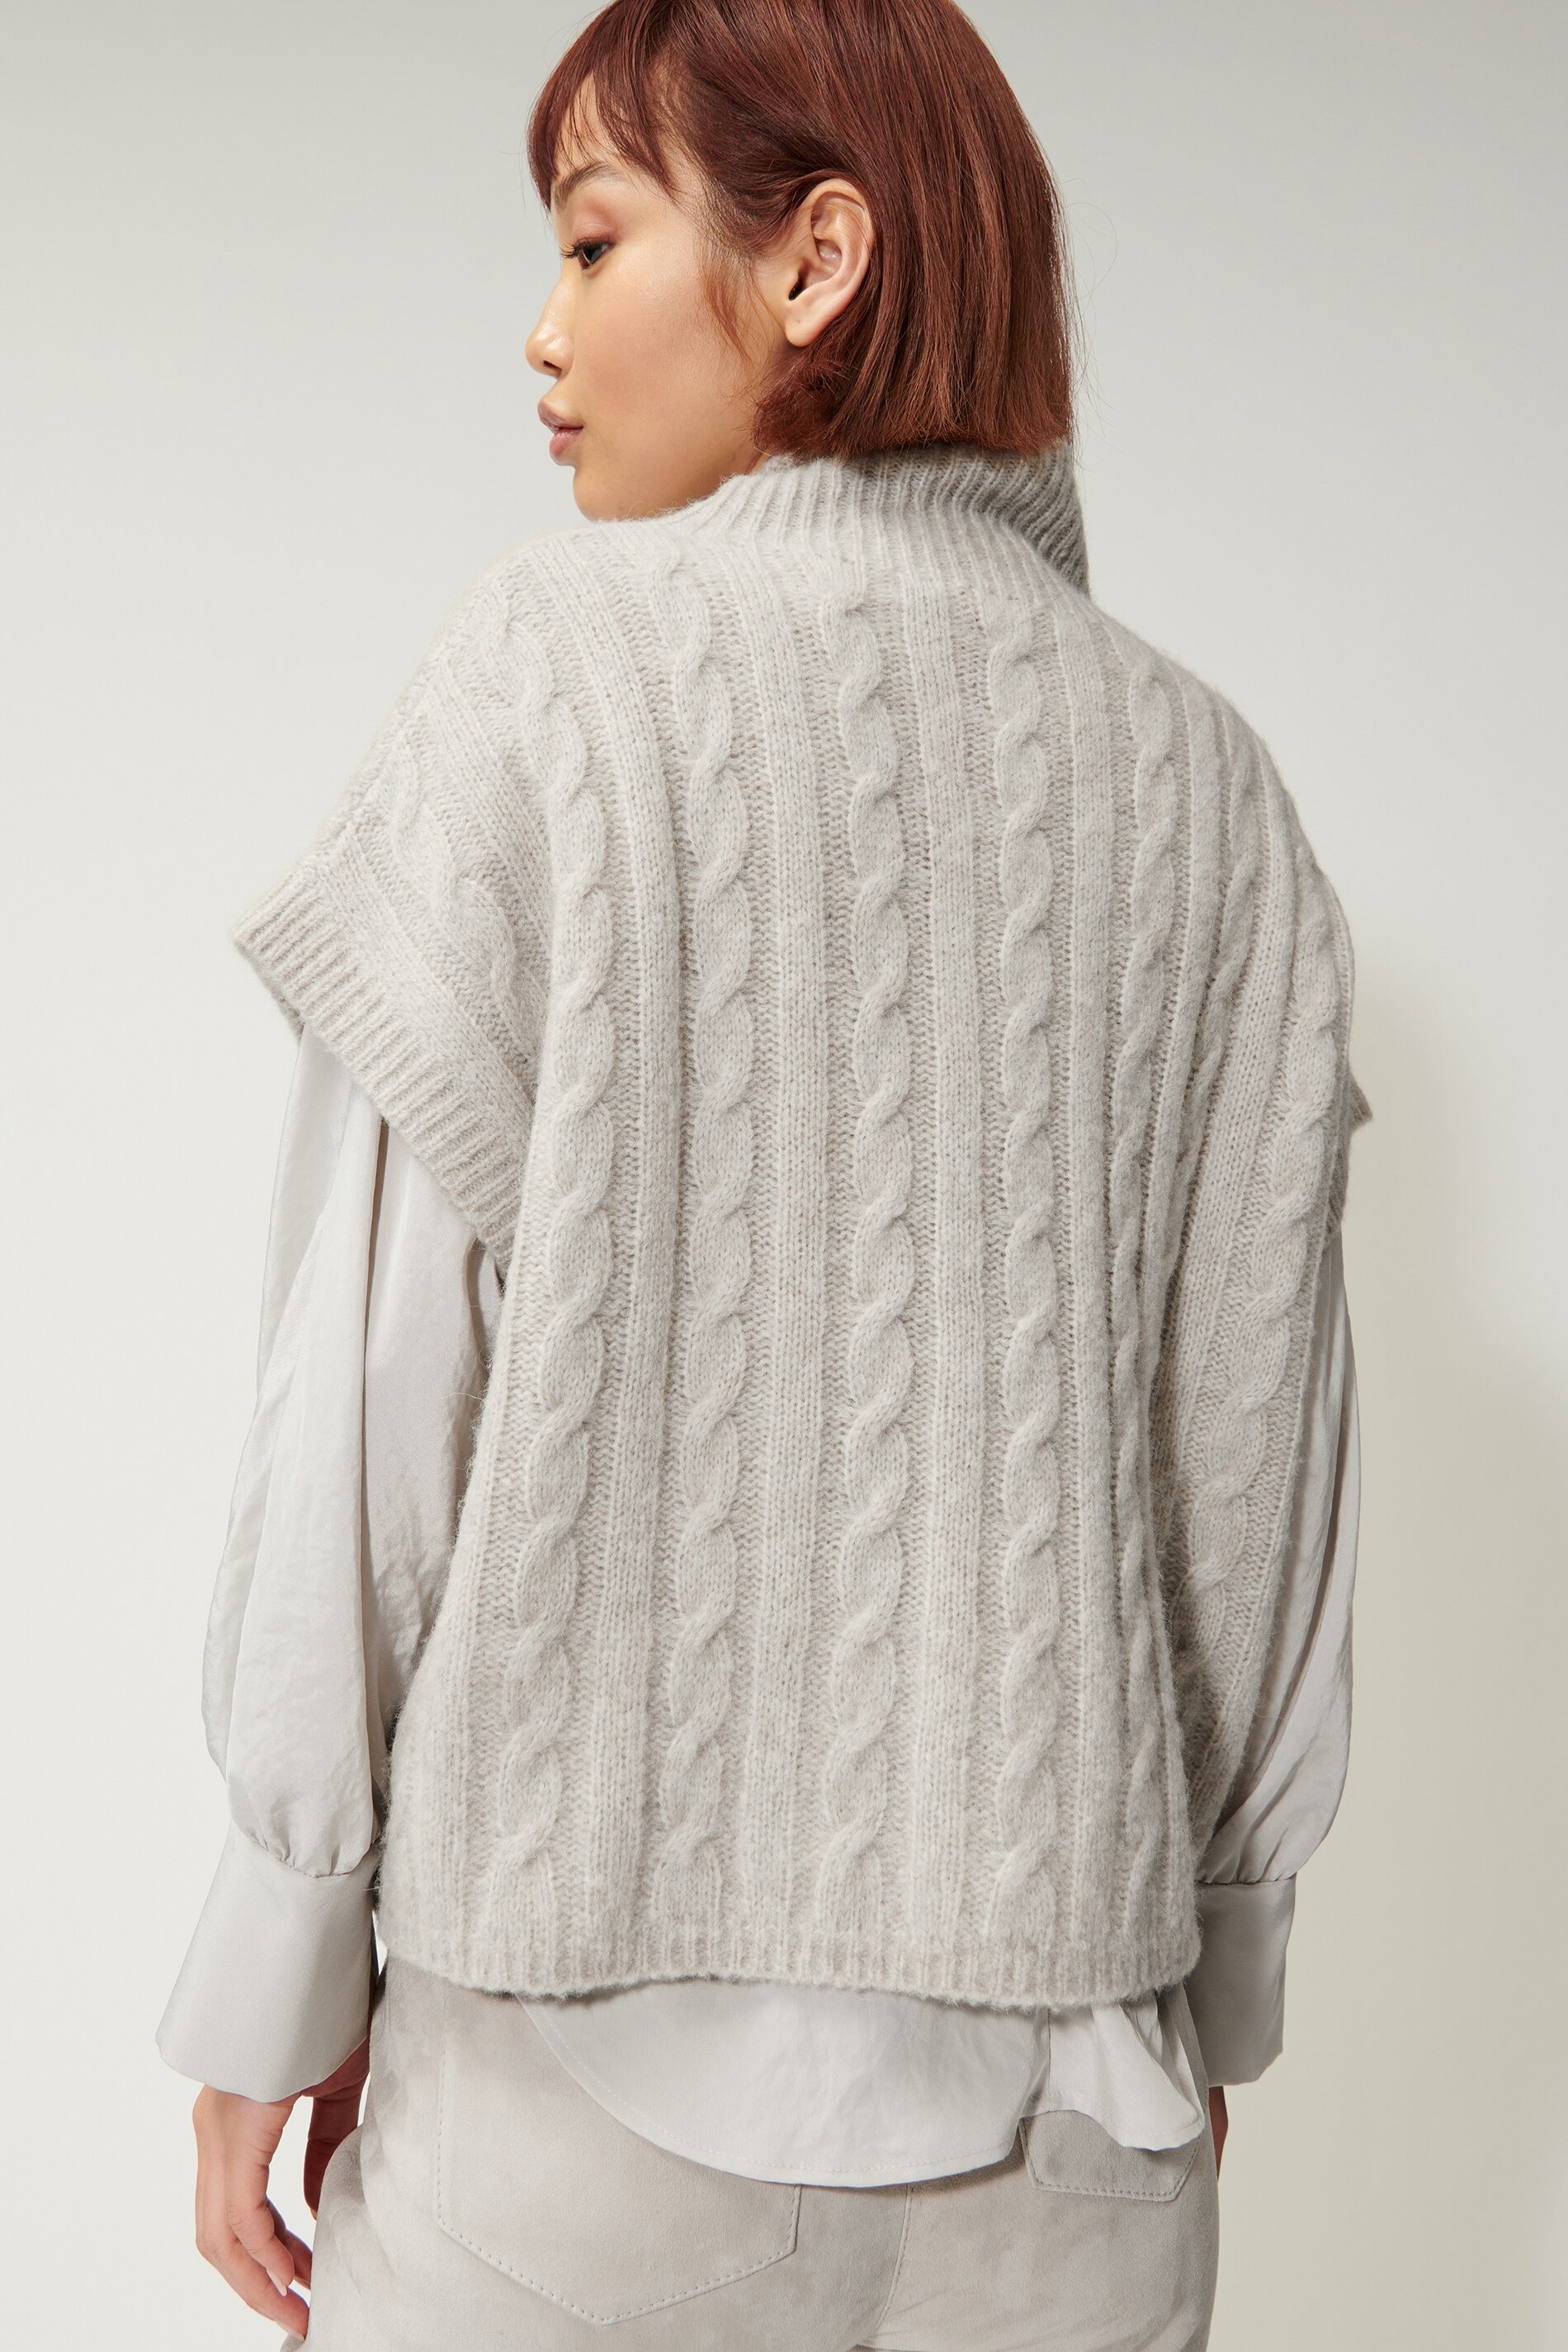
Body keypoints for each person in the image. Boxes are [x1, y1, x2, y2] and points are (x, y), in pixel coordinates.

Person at [158, 2, 1371, 2345]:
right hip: (1079, 2139)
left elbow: (373, 1399)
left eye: (593, 239)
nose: (542, 332)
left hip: (572, 2113)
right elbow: (1263, 1480)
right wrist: (1211, 1988)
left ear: (817, 259)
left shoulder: (550, 668)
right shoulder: (1211, 790)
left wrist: (275, 1952)